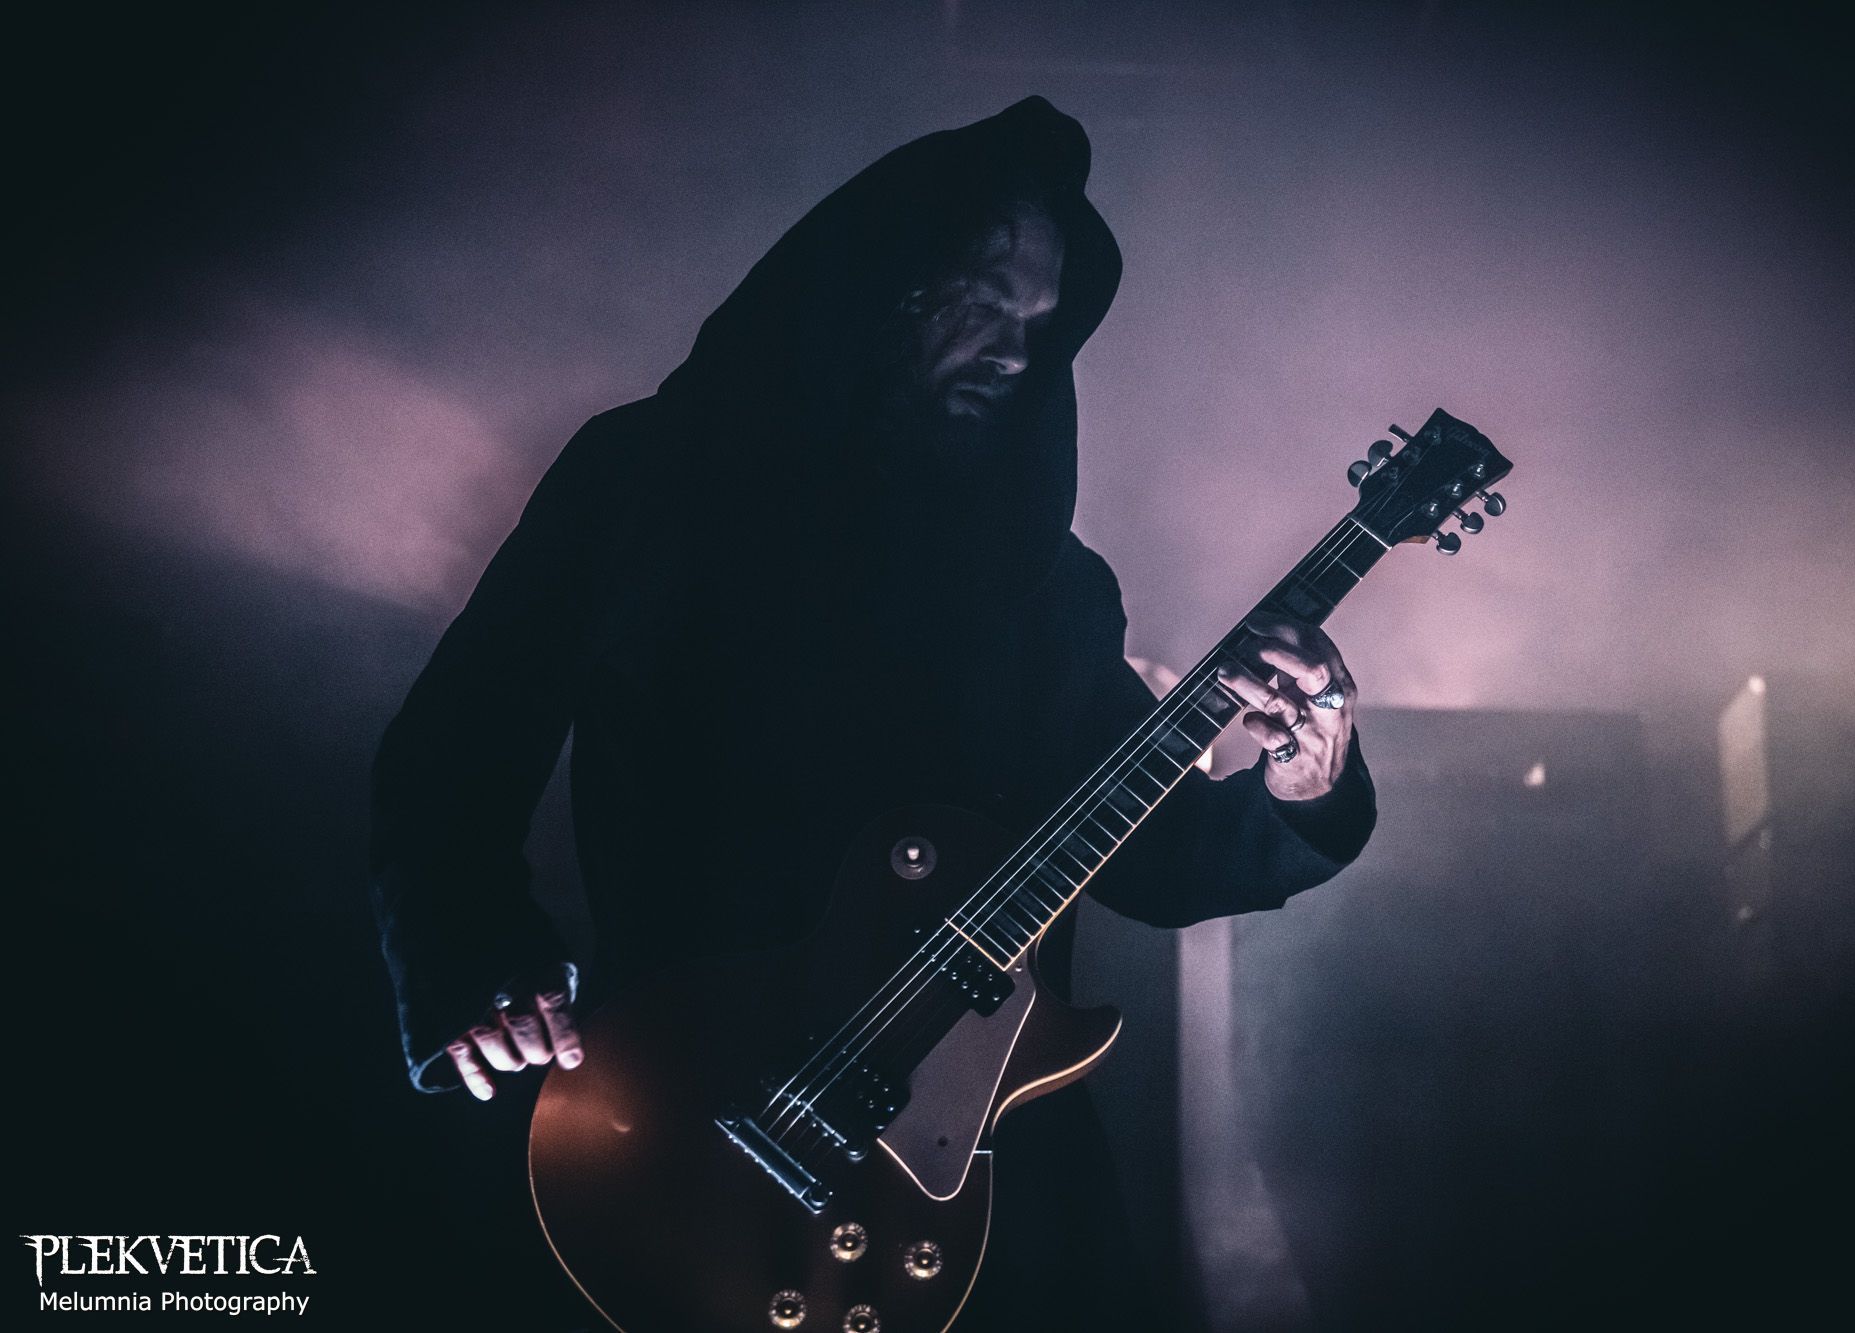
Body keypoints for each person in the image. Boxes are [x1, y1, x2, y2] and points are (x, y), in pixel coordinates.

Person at [370, 95, 1375, 1329]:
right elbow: (453, 751)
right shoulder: (643, 483)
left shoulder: (1047, 586)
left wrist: (1304, 783)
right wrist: (474, 957)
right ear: (873, 290)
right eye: (979, 304)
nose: (1015, 352)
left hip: (982, 1187)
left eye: (1040, 322)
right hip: (687, 1133)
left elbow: (1150, 857)